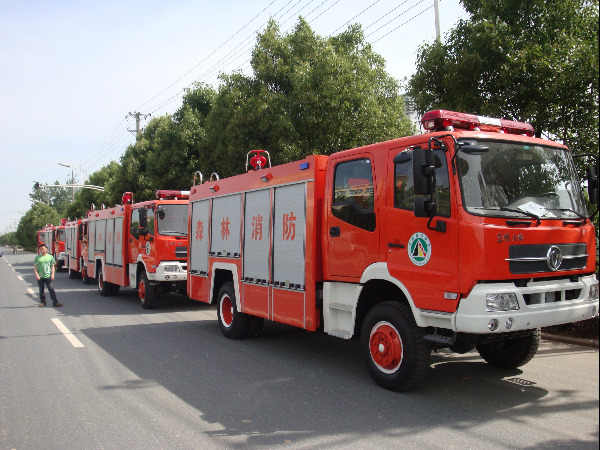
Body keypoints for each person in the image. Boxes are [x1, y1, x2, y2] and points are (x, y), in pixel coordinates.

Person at [34, 243, 62, 307]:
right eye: (40, 249)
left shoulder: (50, 257)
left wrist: (52, 274)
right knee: (41, 290)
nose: (42, 250)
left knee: (51, 289)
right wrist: (36, 275)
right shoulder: (37, 258)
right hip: (40, 277)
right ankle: (43, 302)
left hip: (48, 276)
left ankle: (55, 302)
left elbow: (52, 266)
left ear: (46, 249)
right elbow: (35, 267)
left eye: (43, 249)